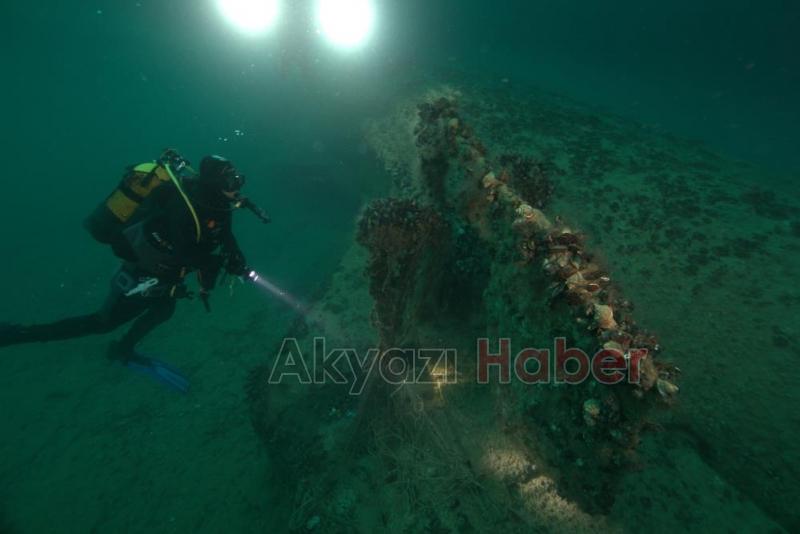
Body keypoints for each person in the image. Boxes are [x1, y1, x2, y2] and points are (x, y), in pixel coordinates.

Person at [0, 151, 253, 391]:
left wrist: (235, 255)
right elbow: (182, 252)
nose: (237, 187)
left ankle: (123, 349)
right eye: (232, 181)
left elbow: (224, 234)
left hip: (166, 273)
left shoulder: (219, 203)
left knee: (163, 309)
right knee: (103, 322)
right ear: (212, 183)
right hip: (142, 270)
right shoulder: (185, 206)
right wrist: (218, 264)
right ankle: (17, 334)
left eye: (238, 179)